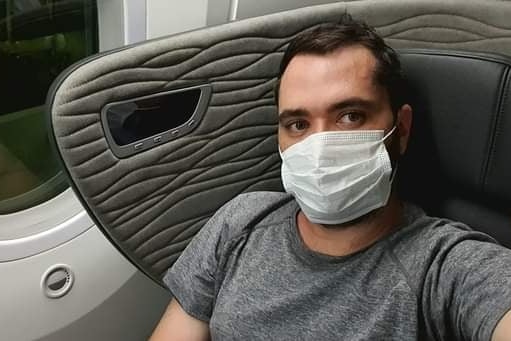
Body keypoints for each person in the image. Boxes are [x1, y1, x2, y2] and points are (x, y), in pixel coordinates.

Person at [150, 15, 511, 340]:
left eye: (350, 116)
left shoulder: (442, 266)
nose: (318, 146)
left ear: (400, 129)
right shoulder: (240, 220)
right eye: (298, 124)